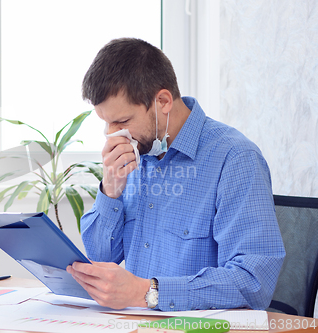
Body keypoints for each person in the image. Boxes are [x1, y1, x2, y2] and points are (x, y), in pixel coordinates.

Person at [66, 38, 285, 311]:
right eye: (106, 123)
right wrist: (110, 189)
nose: (112, 134)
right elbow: (100, 257)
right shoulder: (132, 156)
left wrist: (147, 293)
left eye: (121, 121)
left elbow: (254, 281)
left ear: (163, 101)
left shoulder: (235, 159)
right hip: (132, 325)